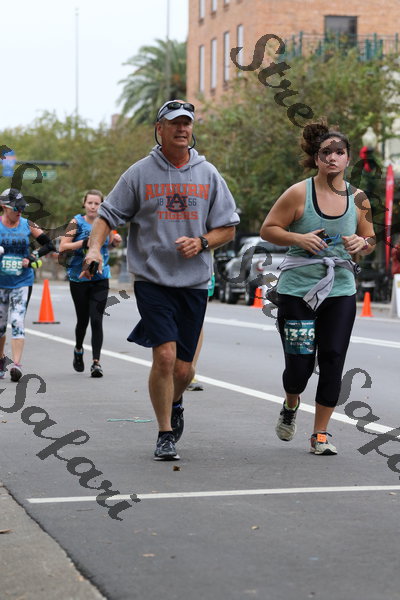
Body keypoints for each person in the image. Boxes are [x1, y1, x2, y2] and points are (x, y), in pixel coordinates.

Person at [82, 100, 239, 460]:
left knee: (184, 369)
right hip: (152, 279)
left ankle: (176, 400)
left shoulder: (208, 174)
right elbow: (107, 216)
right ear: (160, 129)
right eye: (174, 123)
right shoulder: (139, 173)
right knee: (165, 357)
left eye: (187, 123)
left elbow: (228, 227)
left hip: (194, 282)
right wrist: (93, 250)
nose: (182, 129)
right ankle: (165, 433)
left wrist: (202, 242)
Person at [260, 120, 375, 455]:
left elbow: (370, 238)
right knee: (299, 366)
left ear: (348, 158)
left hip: (340, 291)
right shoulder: (299, 193)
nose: (332, 158)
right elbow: (268, 229)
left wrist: (362, 243)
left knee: (333, 358)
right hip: (297, 293)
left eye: (339, 152)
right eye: (326, 152)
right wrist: (299, 238)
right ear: (316, 158)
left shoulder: (358, 198)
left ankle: (320, 434)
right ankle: (291, 402)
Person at [59, 189, 121, 378]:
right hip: (79, 278)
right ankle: (78, 349)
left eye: (97, 203)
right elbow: (63, 246)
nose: (93, 207)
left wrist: (115, 242)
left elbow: (109, 244)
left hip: (100, 277)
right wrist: (84, 242)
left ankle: (96, 363)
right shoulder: (75, 222)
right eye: (90, 203)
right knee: (83, 320)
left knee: (96, 319)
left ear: (102, 205)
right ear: (84, 204)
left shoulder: (106, 222)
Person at [0, 188, 56, 381]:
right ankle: (1, 359)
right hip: (1, 283)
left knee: (17, 321)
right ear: (4, 207)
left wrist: (33, 256)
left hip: (22, 281)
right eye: (16, 208)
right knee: (0, 325)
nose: (20, 211)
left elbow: (49, 244)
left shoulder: (27, 224)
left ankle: (16, 365)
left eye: (22, 208)